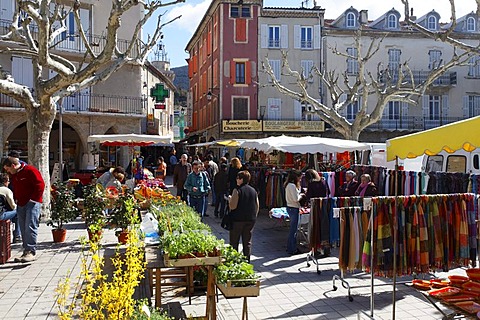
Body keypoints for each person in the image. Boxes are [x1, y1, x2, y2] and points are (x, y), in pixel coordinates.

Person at [3, 157, 45, 263]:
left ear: (13, 166)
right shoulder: (15, 174)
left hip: (32, 203)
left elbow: (40, 185)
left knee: (30, 226)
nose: (7, 172)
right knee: (23, 227)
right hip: (21, 203)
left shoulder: (30, 170)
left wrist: (33, 199)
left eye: (7, 169)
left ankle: (30, 251)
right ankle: (26, 250)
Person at [228, 170, 259, 262]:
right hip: (250, 220)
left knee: (234, 241)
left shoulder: (237, 190)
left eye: (238, 178)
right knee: (247, 242)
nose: (237, 180)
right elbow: (257, 205)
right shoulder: (253, 191)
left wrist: (230, 200)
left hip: (237, 220)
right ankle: (247, 260)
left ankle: (234, 260)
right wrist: (254, 216)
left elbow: (233, 206)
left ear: (242, 180)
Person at [285, 170, 304, 255]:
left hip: (291, 207)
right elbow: (295, 199)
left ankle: (291, 247)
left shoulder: (289, 185)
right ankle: (292, 249)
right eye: (299, 177)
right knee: (293, 230)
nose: (300, 179)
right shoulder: (292, 186)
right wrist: (302, 195)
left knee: (293, 230)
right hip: (293, 208)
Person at [0, 173, 21, 243]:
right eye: (8, 181)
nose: (9, 183)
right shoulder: (6, 190)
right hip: (1, 215)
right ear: (5, 181)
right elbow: (13, 206)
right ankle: (17, 235)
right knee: (18, 211)